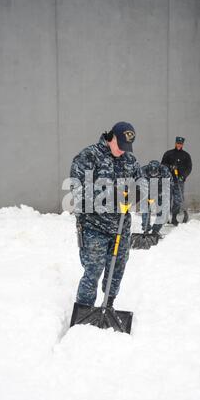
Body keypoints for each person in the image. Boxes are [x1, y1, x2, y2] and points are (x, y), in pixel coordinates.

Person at [70, 122, 145, 309]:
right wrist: (111, 198)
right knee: (93, 270)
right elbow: (78, 191)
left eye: (126, 148)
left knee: (117, 269)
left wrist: (137, 194)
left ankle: (108, 304)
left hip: (121, 226)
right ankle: (84, 308)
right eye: (120, 146)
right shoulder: (88, 157)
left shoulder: (130, 161)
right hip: (94, 227)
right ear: (111, 137)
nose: (123, 151)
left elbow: (142, 184)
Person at [161, 137, 192, 225]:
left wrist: (183, 176)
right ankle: (166, 217)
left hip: (179, 181)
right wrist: (170, 167)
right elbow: (162, 165)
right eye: (178, 143)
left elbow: (189, 168)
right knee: (167, 198)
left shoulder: (186, 155)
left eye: (180, 144)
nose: (179, 145)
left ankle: (174, 217)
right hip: (169, 180)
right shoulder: (168, 154)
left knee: (178, 199)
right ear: (175, 143)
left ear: (182, 144)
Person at [141, 160, 173, 237]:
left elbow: (168, 186)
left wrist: (161, 194)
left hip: (161, 189)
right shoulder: (142, 171)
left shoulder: (165, 171)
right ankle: (146, 229)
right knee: (145, 210)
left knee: (162, 211)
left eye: (155, 175)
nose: (153, 176)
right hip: (147, 189)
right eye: (151, 175)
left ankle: (156, 230)